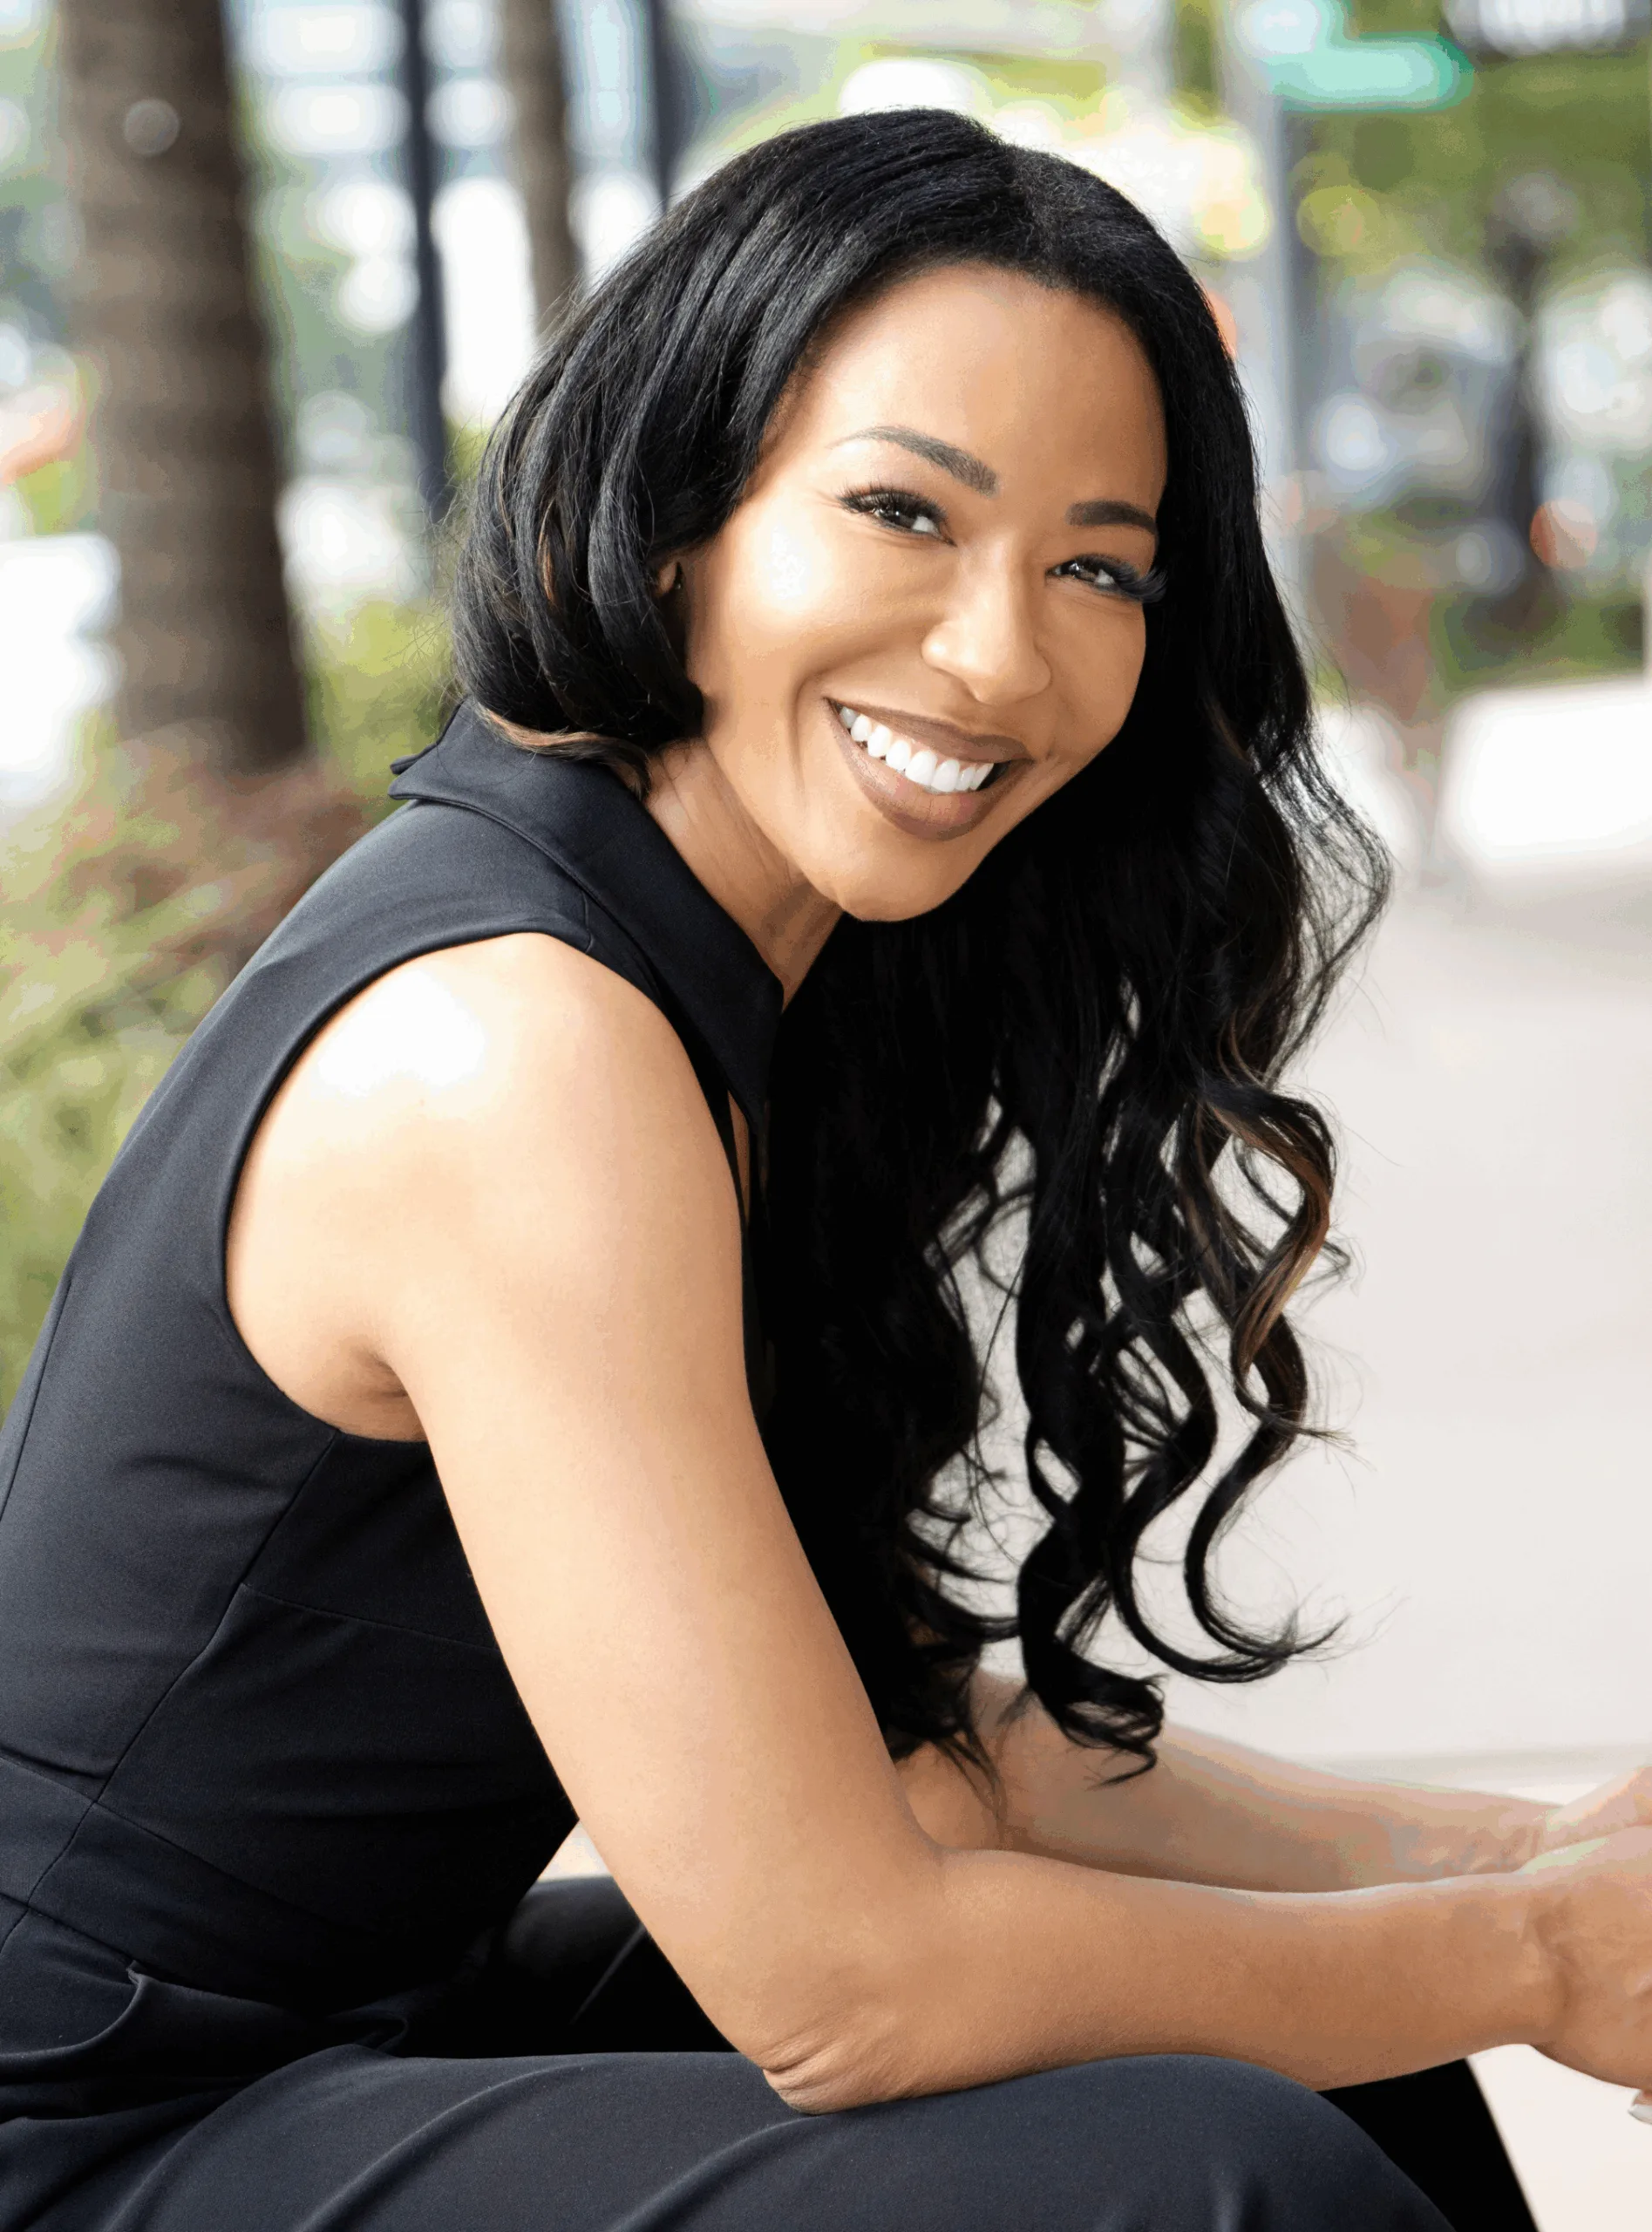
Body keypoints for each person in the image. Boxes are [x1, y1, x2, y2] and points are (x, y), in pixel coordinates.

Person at [1, 109, 1648, 2232]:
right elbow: (847, 1984)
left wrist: (1522, 1869)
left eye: (1096, 566)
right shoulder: (518, 1047)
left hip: (339, 2037)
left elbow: (917, 1749)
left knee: (1302, 2039)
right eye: (899, 512)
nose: (996, 653)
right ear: (676, 512)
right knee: (1205, 2170)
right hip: (94, 2140)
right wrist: (1542, 1960)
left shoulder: (745, 988)